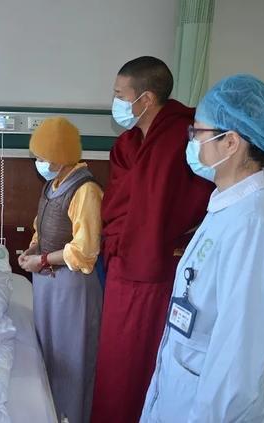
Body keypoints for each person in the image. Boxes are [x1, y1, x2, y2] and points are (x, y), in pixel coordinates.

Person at [141, 74, 264, 422]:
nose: (191, 142)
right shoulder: (228, 206)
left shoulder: (256, 224)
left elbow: (237, 359)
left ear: (230, 142)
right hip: (182, 389)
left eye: (197, 132)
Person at [91, 56, 214, 423]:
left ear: (145, 98)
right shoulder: (127, 144)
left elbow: (190, 202)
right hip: (120, 263)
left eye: (119, 94)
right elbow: (116, 202)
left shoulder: (183, 139)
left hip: (157, 268)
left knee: (142, 361)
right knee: (114, 359)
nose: (115, 101)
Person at [19, 117, 103, 423]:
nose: (39, 163)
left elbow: (85, 250)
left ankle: (72, 416)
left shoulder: (85, 190)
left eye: (42, 157)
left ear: (60, 156)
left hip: (72, 286)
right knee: (49, 352)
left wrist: (42, 261)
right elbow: (41, 227)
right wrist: (33, 248)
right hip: (47, 285)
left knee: (72, 357)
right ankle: (49, 412)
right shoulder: (51, 186)